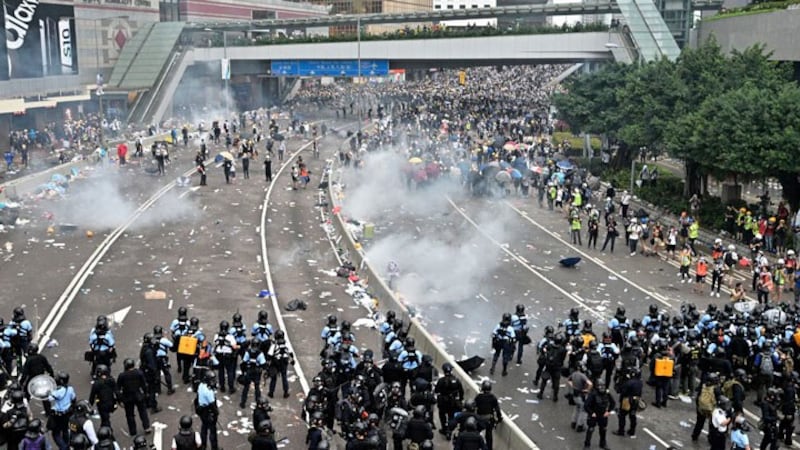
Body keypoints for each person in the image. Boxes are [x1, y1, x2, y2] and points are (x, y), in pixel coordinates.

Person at [116, 358, 151, 436]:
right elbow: (144, 385)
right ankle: (146, 427)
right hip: (138, 395)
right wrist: (146, 394)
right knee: (143, 412)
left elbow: (117, 389)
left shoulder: (122, 375)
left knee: (130, 415)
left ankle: (133, 431)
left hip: (127, 397)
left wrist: (120, 400)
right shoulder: (139, 373)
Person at [48, 371, 76, 450]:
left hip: (58, 415)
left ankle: (64, 448)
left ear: (61, 381)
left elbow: (49, 398)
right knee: (65, 430)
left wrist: (49, 392)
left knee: (55, 433)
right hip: (68, 413)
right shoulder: (70, 389)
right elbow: (73, 398)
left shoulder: (58, 392)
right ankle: (66, 444)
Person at [434, 363, 463, 439]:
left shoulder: (441, 380)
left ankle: (444, 429)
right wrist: (460, 399)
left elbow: (436, 390)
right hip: (452, 402)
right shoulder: (456, 380)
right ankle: (449, 431)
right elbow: (461, 391)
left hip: (443, 402)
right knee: (451, 416)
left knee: (442, 415)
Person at [583, 380, 614, 450]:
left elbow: (613, 403)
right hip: (594, 414)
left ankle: (603, 443)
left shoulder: (607, 393)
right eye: (600, 386)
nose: (602, 388)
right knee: (590, 429)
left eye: (603, 386)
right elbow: (586, 405)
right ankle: (587, 445)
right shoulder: (593, 394)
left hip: (603, 414)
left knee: (603, 429)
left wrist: (608, 411)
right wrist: (591, 413)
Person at [613, 367, 642, 438]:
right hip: (636, 400)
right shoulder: (640, 382)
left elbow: (622, 391)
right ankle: (632, 431)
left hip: (627, 400)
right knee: (632, 415)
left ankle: (621, 431)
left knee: (622, 415)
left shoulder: (629, 382)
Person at [212, 320, 238, 394]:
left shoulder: (216, 335)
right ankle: (231, 388)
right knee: (230, 372)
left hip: (219, 355)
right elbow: (234, 346)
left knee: (221, 371)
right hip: (228, 356)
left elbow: (215, 343)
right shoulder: (230, 336)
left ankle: (222, 387)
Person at [197, 371, 221, 450]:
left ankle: (203, 445)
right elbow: (212, 404)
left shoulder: (201, 385)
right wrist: (216, 413)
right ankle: (214, 447)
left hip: (201, 409)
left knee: (204, 427)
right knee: (212, 430)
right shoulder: (208, 391)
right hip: (208, 411)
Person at [240, 338, 267, 409]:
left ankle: (243, 402)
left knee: (246, 387)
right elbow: (263, 364)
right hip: (257, 372)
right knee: (257, 387)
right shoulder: (260, 354)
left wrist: (243, 372)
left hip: (249, 371)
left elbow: (244, 362)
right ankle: (258, 402)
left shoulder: (248, 352)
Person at [267, 330, 294, 399]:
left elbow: (270, 355)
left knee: (274, 378)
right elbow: (291, 353)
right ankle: (285, 392)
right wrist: (291, 360)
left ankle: (271, 392)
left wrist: (268, 363)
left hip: (276, 362)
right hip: (284, 362)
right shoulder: (286, 344)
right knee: (284, 377)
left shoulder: (274, 345)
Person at [475, 380, 502, 450]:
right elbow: (497, 409)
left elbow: (474, 406)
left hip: (480, 419)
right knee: (489, 435)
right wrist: (499, 418)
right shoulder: (493, 397)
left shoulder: (478, 397)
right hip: (489, 419)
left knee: (475, 432)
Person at [88, 365, 117, 429]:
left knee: (105, 419)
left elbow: (92, 395)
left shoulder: (97, 383)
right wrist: (119, 400)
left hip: (102, 404)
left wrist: (90, 405)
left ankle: (108, 431)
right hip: (111, 402)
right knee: (105, 418)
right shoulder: (111, 380)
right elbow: (116, 391)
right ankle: (103, 427)